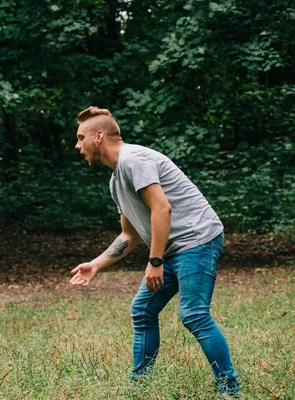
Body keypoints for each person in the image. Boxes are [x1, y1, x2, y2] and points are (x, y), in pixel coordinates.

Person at [70, 106, 242, 399]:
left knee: (194, 314)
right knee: (143, 310)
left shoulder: (134, 160)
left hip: (197, 239)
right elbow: (130, 233)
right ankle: (139, 387)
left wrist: (155, 261)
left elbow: (162, 208)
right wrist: (96, 265)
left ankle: (231, 389)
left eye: (80, 137)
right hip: (174, 249)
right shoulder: (116, 181)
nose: (77, 145)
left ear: (98, 137)